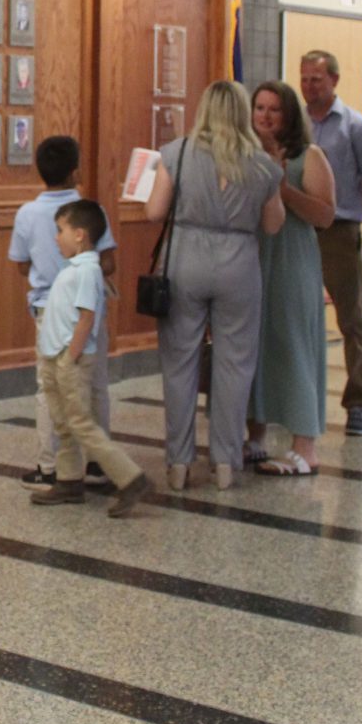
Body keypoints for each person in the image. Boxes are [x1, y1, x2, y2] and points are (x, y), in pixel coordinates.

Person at [145, 81, 284, 490]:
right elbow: (273, 225)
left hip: (186, 258)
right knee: (235, 364)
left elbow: (154, 212)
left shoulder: (178, 153)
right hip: (239, 263)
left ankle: (179, 462)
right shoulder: (261, 163)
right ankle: (225, 461)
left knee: (180, 361)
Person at [9, 136, 118, 490]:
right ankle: (99, 466)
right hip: (88, 308)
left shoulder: (27, 213)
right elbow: (110, 261)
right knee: (95, 383)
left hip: (46, 311)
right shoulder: (90, 211)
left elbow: (21, 263)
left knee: (49, 387)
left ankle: (49, 466)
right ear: (76, 171)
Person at [29, 200, 149, 516]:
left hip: (71, 361)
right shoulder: (74, 268)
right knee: (63, 422)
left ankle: (130, 478)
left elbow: (86, 318)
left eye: (60, 231)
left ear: (79, 235)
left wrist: (71, 356)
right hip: (55, 357)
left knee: (81, 423)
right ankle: (69, 480)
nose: (56, 238)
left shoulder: (87, 271)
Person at [246, 81, 336, 476]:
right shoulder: (246, 153)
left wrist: (284, 191)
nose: (264, 116)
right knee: (254, 346)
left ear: (289, 116)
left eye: (274, 109)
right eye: (259, 108)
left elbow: (325, 215)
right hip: (253, 259)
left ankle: (305, 446)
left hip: (293, 259)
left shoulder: (308, 156)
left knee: (294, 345)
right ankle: (255, 436)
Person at [300, 49, 362, 436]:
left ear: (334, 80)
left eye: (315, 79)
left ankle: (358, 404)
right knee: (296, 317)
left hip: (339, 232)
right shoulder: (296, 124)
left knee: (351, 321)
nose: (308, 86)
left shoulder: (356, 127)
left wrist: (350, 223)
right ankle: (298, 398)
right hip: (300, 232)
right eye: (303, 79)